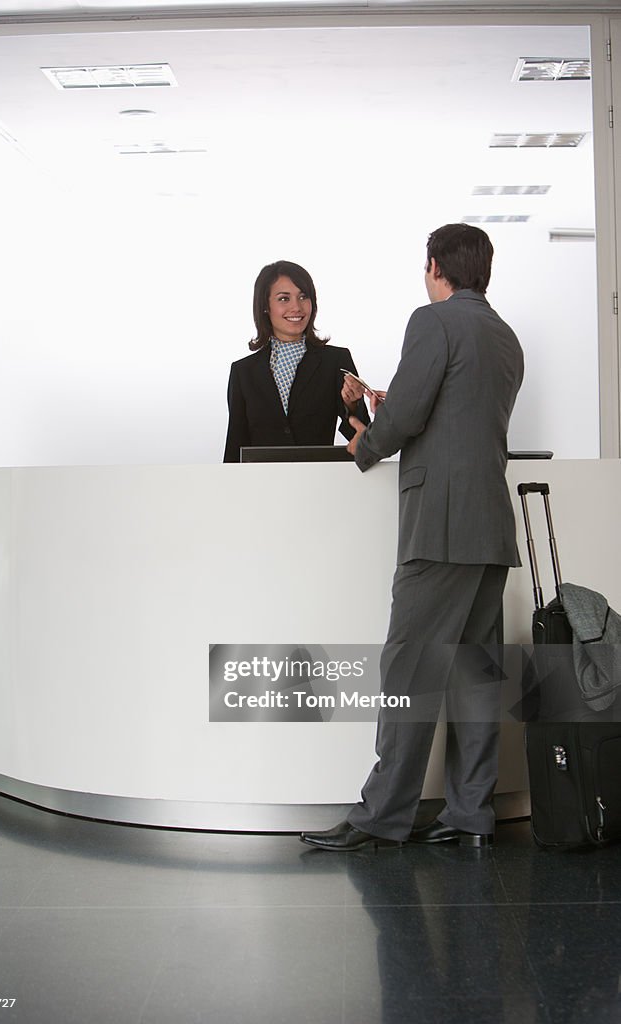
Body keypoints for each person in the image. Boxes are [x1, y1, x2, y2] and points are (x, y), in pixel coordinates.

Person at [300, 223, 524, 851]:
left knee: (409, 669)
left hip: (441, 527)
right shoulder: (506, 337)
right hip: (488, 527)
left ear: (435, 266)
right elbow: (456, 410)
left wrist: (364, 439)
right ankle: (471, 814)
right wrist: (395, 401)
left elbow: (408, 417)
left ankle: (383, 816)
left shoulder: (433, 322)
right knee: (474, 674)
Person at [223, 260, 369, 463]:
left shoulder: (336, 360)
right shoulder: (243, 371)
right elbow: (235, 446)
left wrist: (352, 404)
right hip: (261, 486)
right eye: (284, 298)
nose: (296, 307)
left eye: (303, 297)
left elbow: (362, 438)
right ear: (265, 306)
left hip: (319, 483)